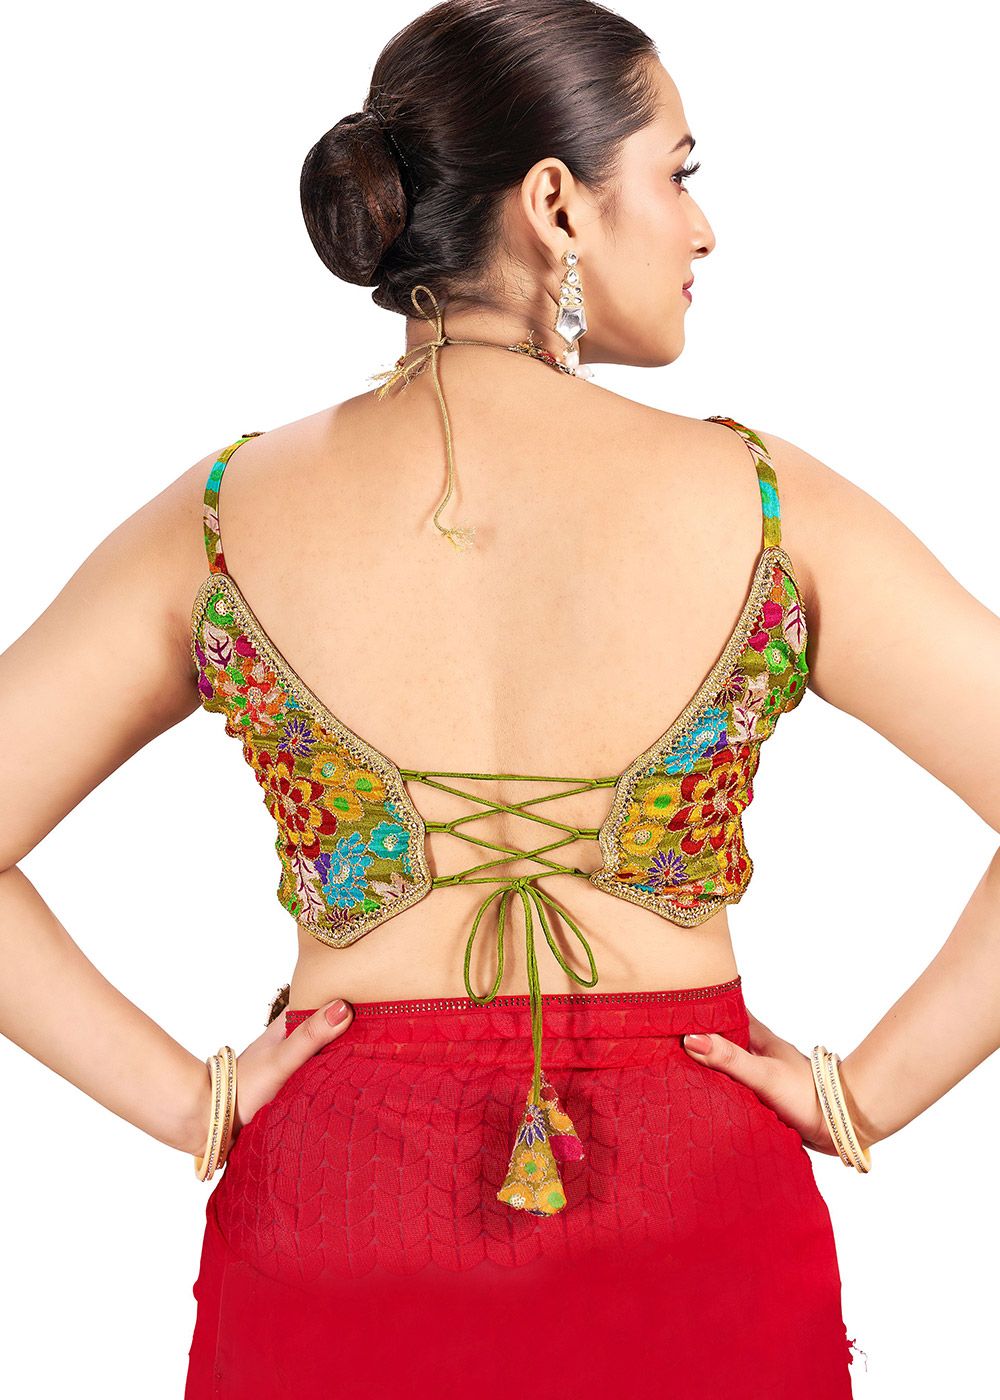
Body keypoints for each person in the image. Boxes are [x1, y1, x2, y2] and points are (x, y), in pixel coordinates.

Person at [2, 1, 998, 1395]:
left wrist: (192, 1100)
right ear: (555, 206)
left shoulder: (223, 513)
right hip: (693, 1205)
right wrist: (863, 1093)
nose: (704, 230)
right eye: (679, 174)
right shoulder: (768, 502)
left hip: (342, 1209)